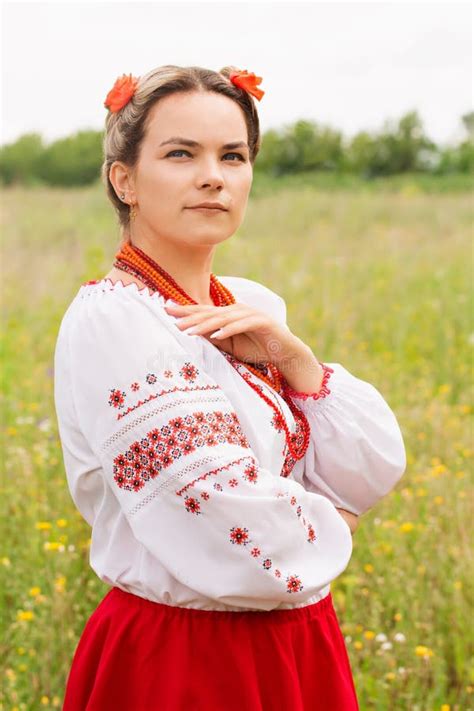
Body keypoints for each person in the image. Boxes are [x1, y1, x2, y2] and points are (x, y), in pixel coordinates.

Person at [53, 64, 407, 711]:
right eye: (181, 153)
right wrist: (340, 521)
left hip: (295, 641)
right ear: (123, 178)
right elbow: (223, 517)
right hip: (184, 654)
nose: (214, 175)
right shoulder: (115, 323)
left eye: (233, 155)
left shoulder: (249, 304)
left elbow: (374, 461)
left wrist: (296, 359)